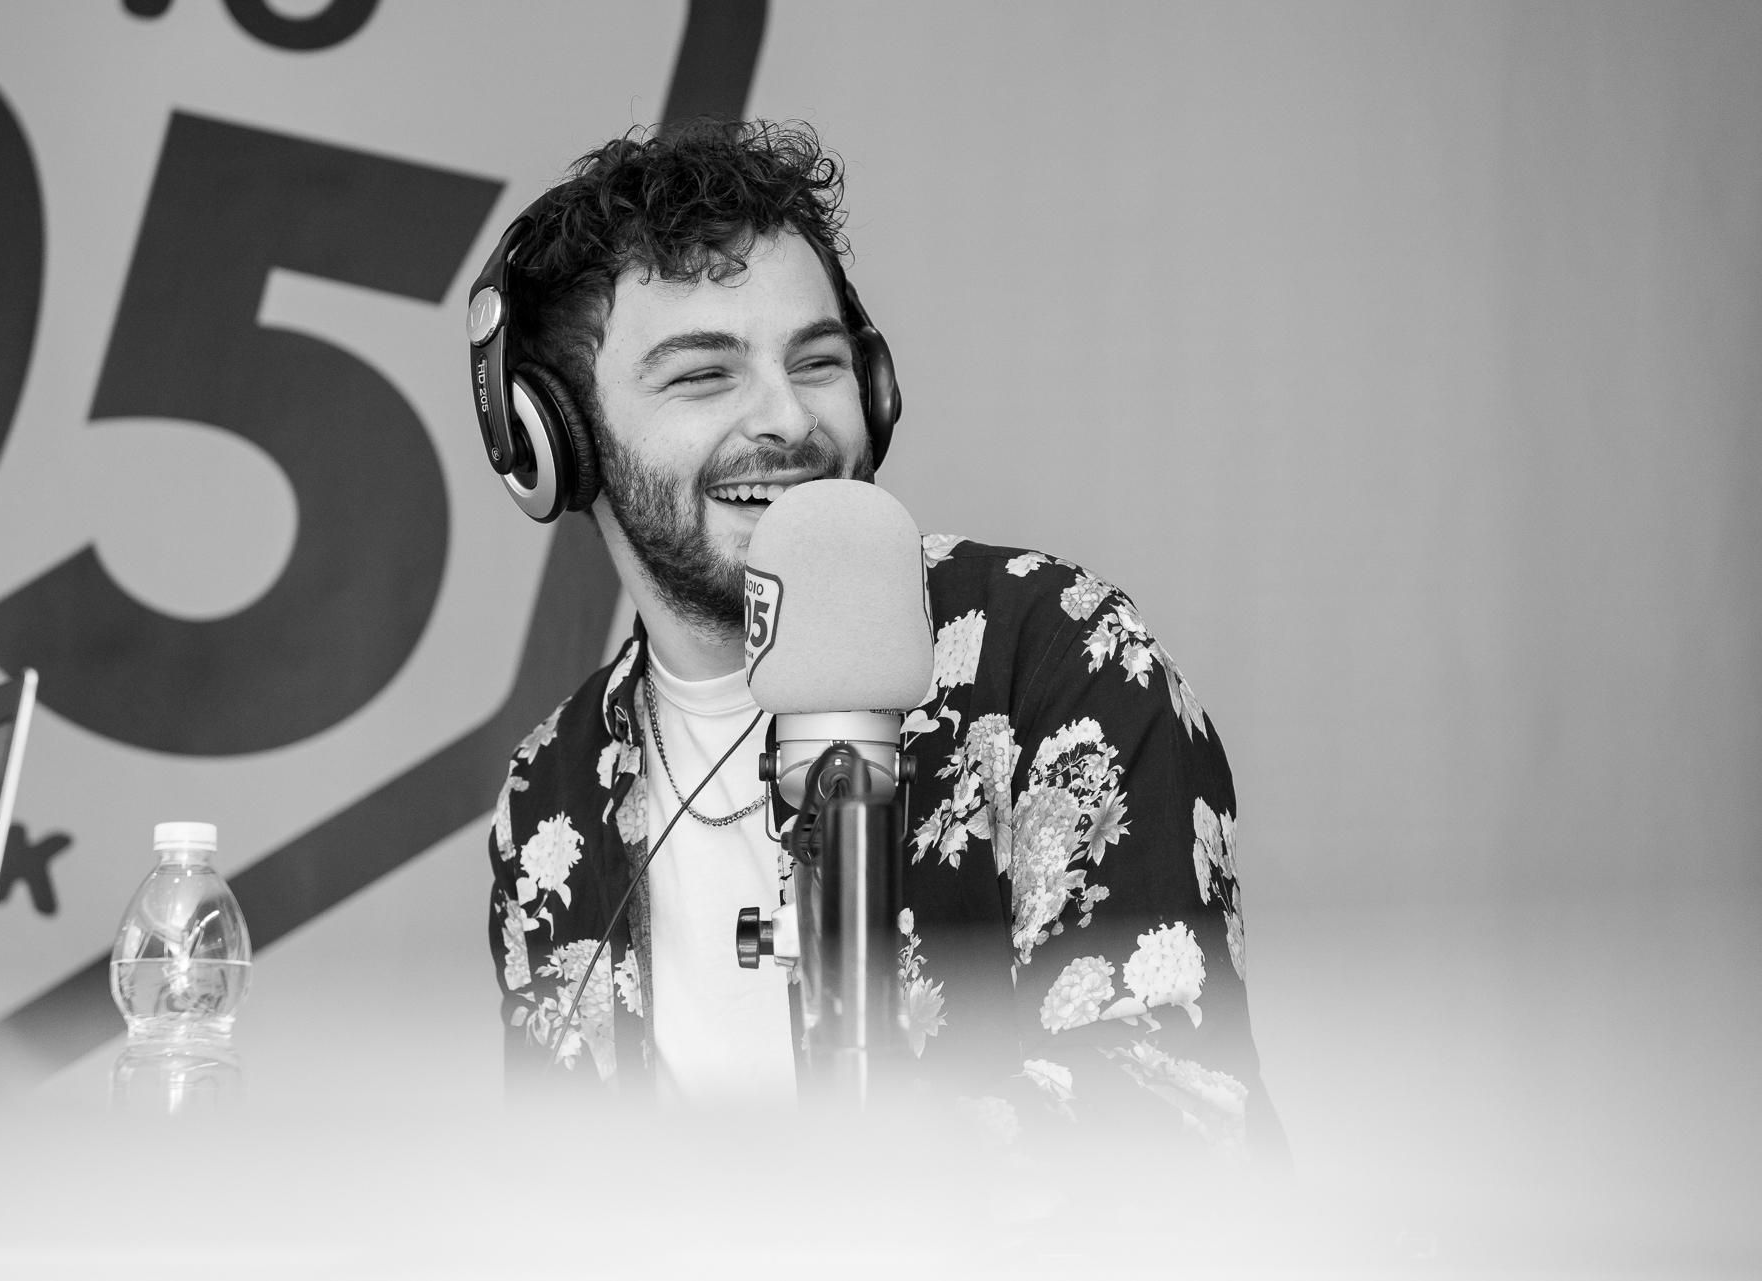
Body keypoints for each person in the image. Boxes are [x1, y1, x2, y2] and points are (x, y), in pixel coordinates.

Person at [477, 118, 1282, 1158]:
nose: (788, 418)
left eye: (817, 362)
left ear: (877, 390)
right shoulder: (548, 795)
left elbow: (1177, 1121)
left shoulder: (1053, 654)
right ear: (558, 442)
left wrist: (837, 1193)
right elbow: (556, 1196)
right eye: (703, 375)